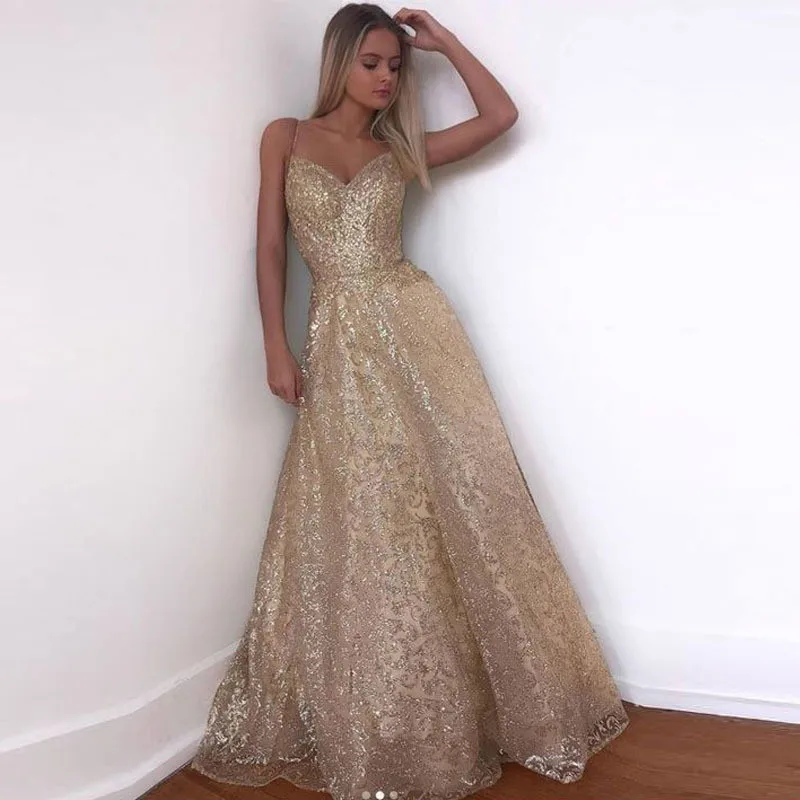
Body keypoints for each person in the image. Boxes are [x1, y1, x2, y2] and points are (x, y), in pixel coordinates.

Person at [190, 5, 629, 800]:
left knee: (454, 498)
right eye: (373, 63)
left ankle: (469, 704)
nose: (387, 78)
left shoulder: (399, 149)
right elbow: (269, 247)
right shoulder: (284, 136)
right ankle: (386, 710)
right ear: (338, 62)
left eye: (396, 66)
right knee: (364, 506)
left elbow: (500, 117)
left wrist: (446, 43)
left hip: (418, 330)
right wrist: (274, 344)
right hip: (340, 337)